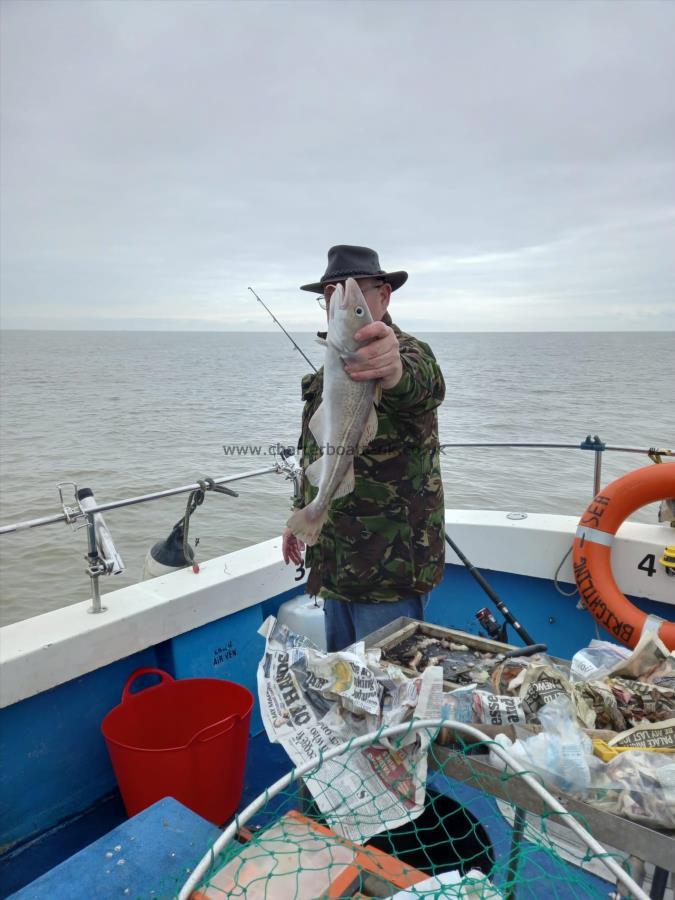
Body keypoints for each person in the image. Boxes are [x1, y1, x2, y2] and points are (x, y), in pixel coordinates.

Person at [282, 245, 446, 651]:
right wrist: (300, 512)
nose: (340, 297)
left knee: (388, 698)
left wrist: (394, 370)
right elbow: (318, 449)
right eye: (331, 292)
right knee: (346, 688)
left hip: (389, 574)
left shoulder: (406, 353)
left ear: (384, 296)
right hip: (336, 567)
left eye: (355, 290)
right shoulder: (333, 365)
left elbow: (423, 383)